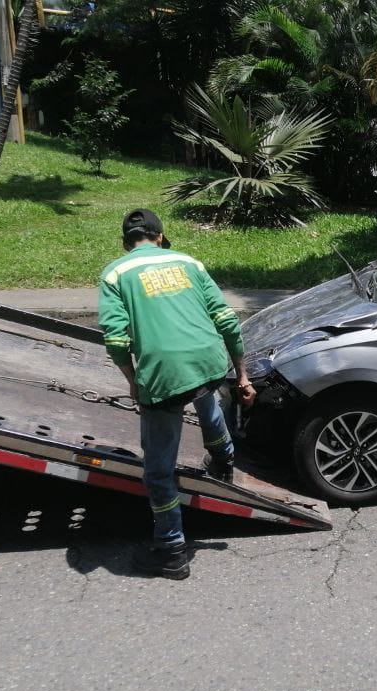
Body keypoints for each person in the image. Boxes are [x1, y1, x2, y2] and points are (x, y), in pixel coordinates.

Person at [98, 209, 256, 580]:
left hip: (163, 373)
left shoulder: (115, 273)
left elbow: (116, 339)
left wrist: (133, 379)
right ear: (161, 235)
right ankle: (223, 457)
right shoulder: (189, 263)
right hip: (207, 360)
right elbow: (227, 320)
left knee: (158, 471)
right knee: (205, 396)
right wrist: (242, 375)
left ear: (126, 242)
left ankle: (171, 550)